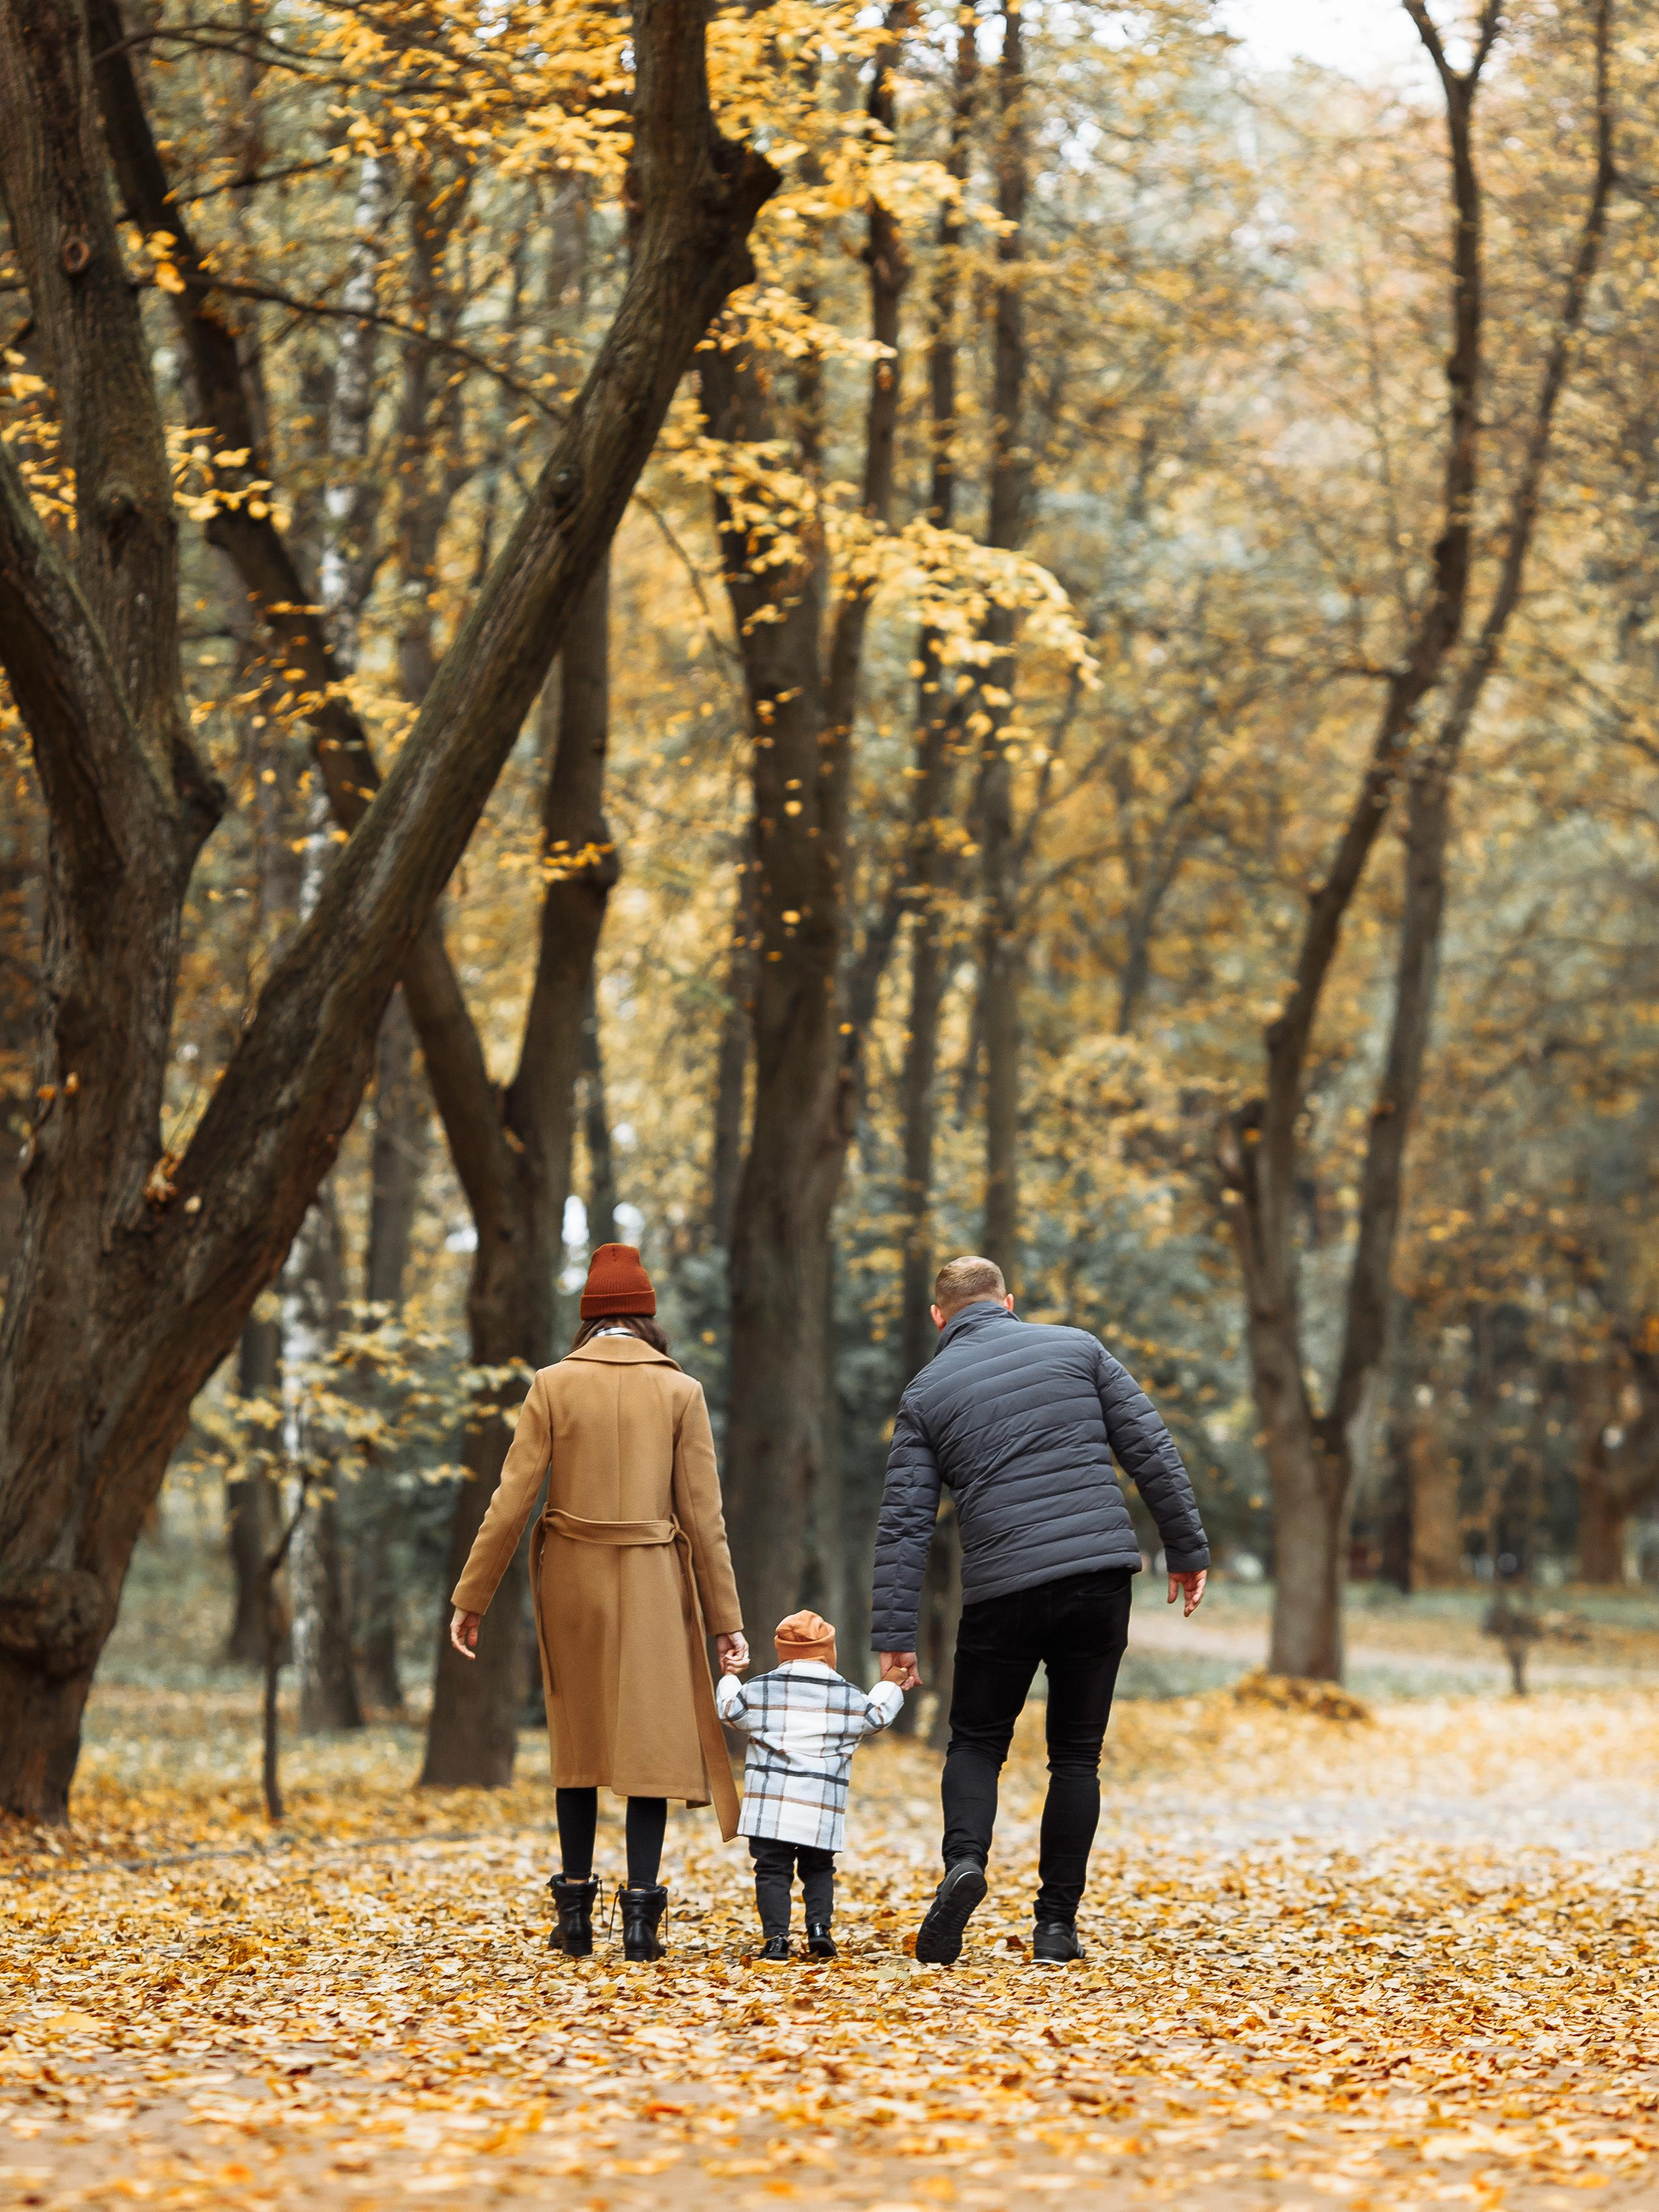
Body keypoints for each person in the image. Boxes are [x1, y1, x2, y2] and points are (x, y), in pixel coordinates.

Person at [870, 1256, 1209, 1968]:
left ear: (940, 1316)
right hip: (1097, 1576)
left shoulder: (927, 1391)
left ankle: (964, 1863)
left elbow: (905, 1523)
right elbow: (1150, 1447)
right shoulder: (1078, 1348)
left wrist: (896, 1635)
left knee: (976, 1743)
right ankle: (1055, 1927)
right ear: (1009, 1302)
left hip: (1003, 1589)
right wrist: (1185, 1547)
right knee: (1075, 1757)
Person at [448, 1243, 748, 1963]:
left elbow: (512, 1499)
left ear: (588, 1318)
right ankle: (642, 1920)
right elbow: (704, 1519)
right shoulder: (682, 1392)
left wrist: (473, 1596)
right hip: (651, 1578)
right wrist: (726, 1623)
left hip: (572, 1580)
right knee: (649, 1743)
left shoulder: (553, 1384)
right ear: (647, 1316)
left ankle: (575, 1916)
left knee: (578, 1742)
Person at [716, 1609, 903, 1963]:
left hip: (771, 1807)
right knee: (818, 1869)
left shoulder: (762, 1688)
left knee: (771, 1870)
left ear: (782, 1652)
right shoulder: (845, 1695)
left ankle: (776, 1939)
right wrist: (891, 1683)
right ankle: (819, 1929)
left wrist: (729, 1676)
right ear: (828, 1652)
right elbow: (878, 1715)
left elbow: (729, 1710)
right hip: (820, 1808)